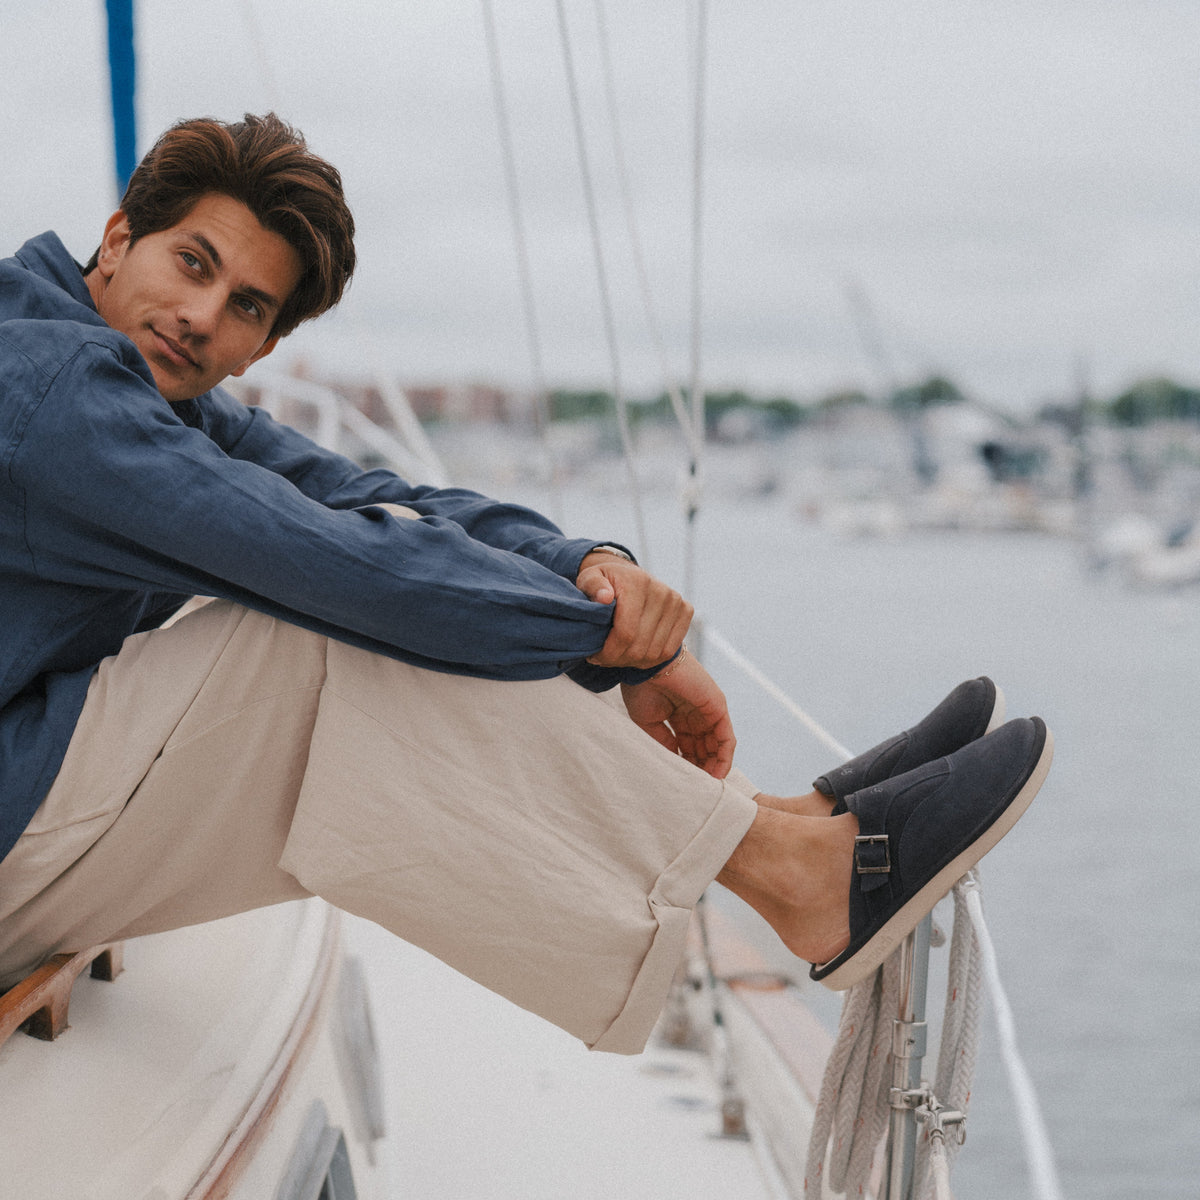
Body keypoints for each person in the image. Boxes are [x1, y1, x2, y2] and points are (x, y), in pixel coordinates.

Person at [0, 113, 1052, 1053]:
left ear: (262, 346)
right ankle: (790, 870)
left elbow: (365, 494)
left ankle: (775, 828)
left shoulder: (136, 383)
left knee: (395, 584)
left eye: (243, 305)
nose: (200, 314)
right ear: (119, 237)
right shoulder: (55, 392)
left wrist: (587, 571)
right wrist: (607, 638)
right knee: (322, 633)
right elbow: (337, 566)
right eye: (191, 263)